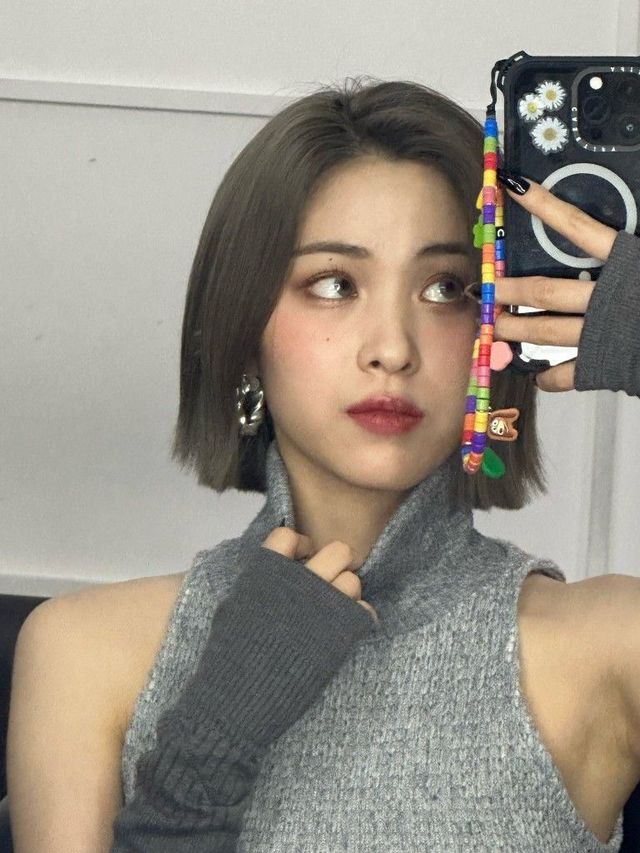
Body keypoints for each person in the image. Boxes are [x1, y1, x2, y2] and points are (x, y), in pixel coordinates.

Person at [8, 76, 638, 852]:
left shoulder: (611, 643)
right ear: (242, 332)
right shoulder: (83, 652)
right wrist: (200, 761)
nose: (392, 348)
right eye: (334, 284)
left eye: (447, 287)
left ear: (498, 329)